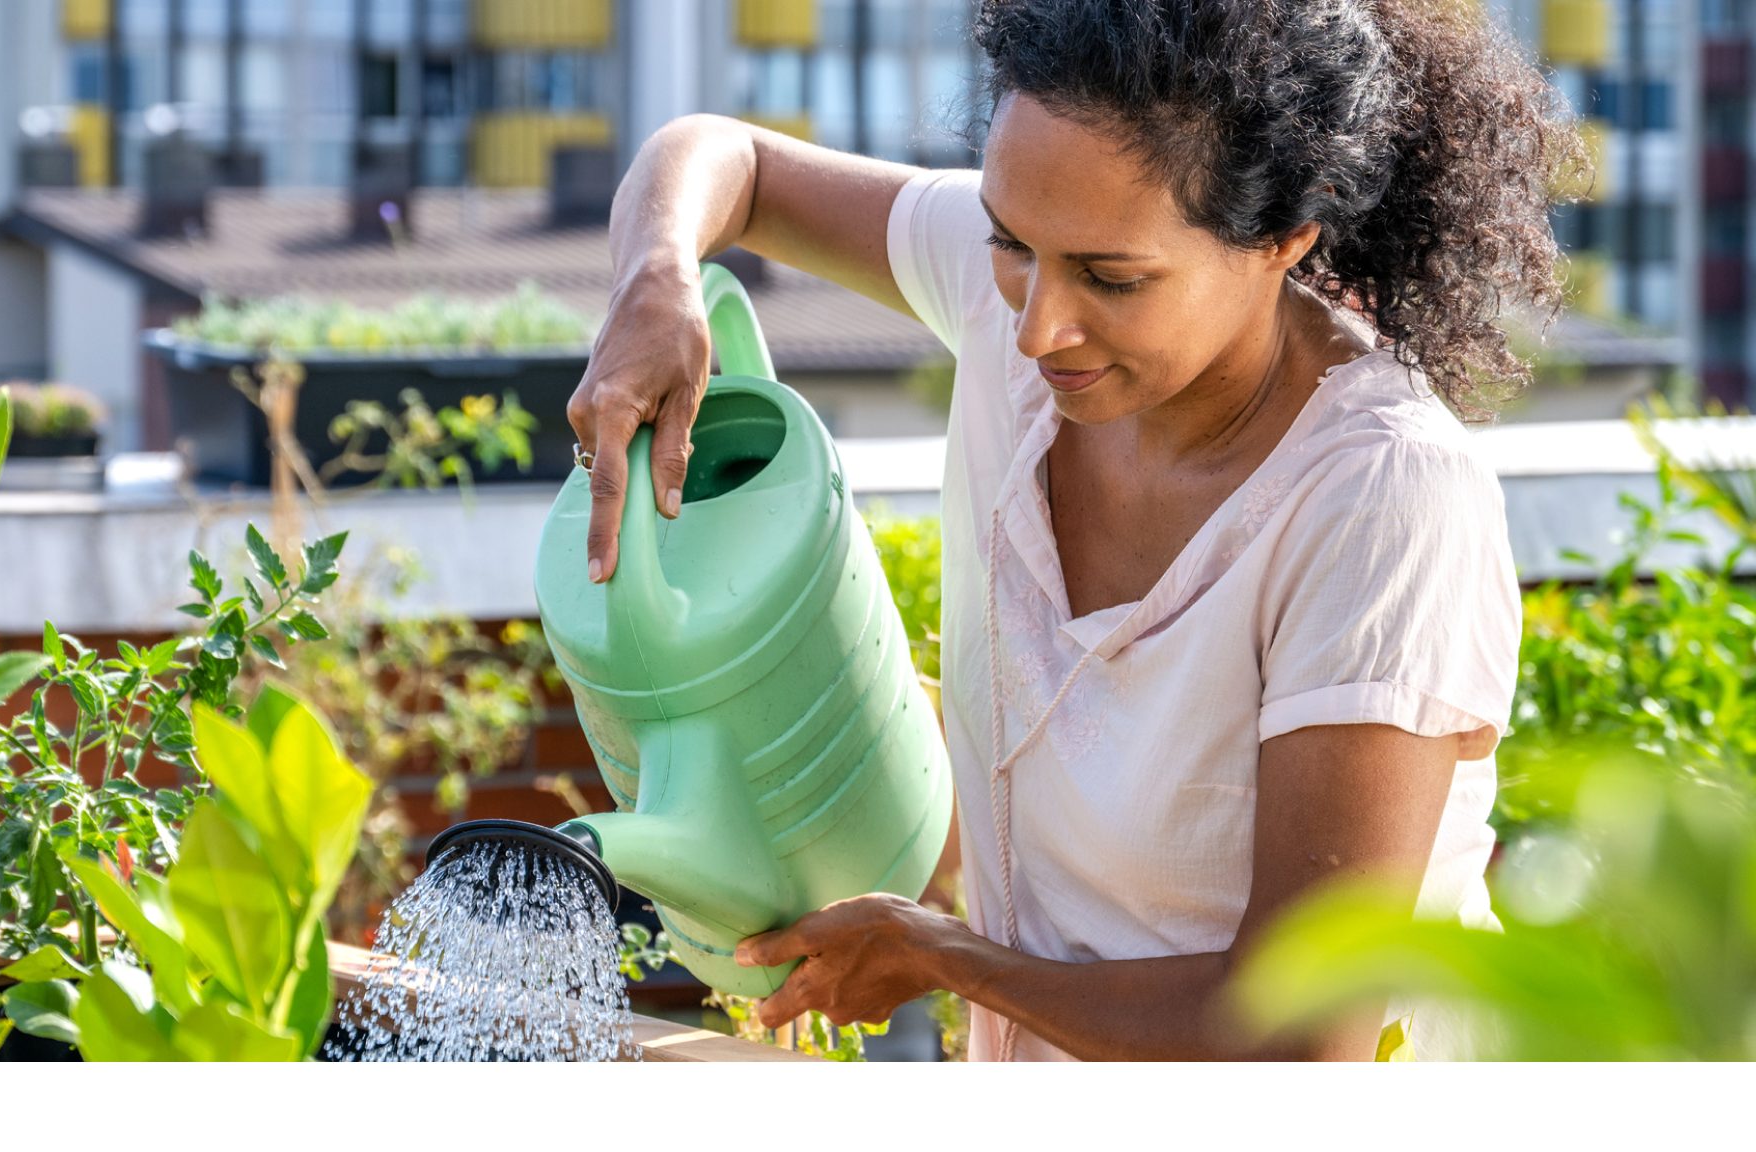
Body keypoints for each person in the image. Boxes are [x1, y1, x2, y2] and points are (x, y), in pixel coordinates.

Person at [566, 0, 1574, 1059]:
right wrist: (656, 277)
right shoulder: (1031, 291)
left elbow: (1301, 1030)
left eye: (1112, 278)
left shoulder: (1381, 500)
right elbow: (727, 161)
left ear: (1288, 235)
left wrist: (950, 959)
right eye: (1011, 244)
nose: (1039, 324)